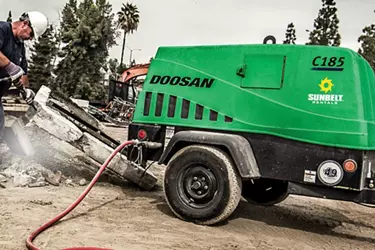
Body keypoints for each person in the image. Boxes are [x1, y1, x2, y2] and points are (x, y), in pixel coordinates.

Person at [0, 11, 48, 140]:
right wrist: (10, 66)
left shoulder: (19, 47)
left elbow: (23, 73)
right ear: (25, 24)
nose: (31, 38)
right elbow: (13, 68)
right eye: (31, 34)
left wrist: (26, 90)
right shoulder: (2, 29)